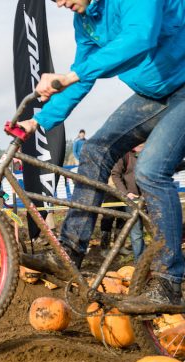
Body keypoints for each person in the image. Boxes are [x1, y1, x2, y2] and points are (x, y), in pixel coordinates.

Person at [17, 0, 185, 309]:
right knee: (94, 151)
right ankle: (68, 253)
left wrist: (72, 74)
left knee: (150, 170)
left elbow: (140, 37)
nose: (60, 3)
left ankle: (169, 283)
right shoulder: (85, 22)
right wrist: (37, 120)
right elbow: (81, 79)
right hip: (155, 95)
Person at [111, 144, 145, 261]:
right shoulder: (125, 154)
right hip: (133, 199)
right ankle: (140, 262)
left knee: (158, 231)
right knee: (136, 234)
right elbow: (115, 174)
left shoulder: (151, 151)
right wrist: (126, 193)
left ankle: (161, 262)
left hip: (151, 197)